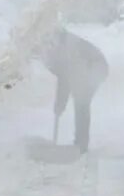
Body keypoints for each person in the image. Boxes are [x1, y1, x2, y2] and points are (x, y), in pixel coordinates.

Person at [42, 24, 108, 152]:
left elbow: (66, 80)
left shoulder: (70, 48)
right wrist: (59, 105)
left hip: (95, 66)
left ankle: (81, 144)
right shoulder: (56, 48)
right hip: (83, 68)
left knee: (81, 102)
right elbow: (63, 76)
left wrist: (60, 104)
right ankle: (80, 143)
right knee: (80, 99)